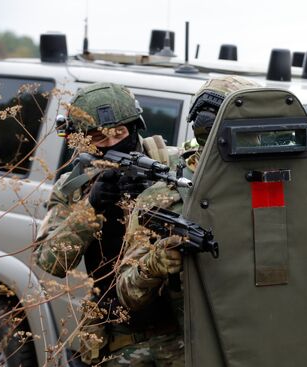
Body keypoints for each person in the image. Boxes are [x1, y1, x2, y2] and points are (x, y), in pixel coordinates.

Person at [116, 75, 261, 365]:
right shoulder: (164, 197)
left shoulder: (282, 186)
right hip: (193, 350)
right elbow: (125, 292)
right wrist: (154, 264)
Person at [34, 82, 182, 366]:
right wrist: (91, 208)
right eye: (99, 138)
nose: (112, 144)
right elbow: (50, 261)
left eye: (119, 133)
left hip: (179, 334)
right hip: (118, 340)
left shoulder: (173, 166)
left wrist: (157, 194)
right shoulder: (73, 187)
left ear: (135, 128)